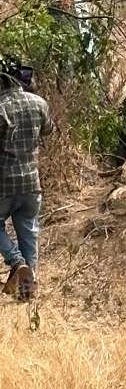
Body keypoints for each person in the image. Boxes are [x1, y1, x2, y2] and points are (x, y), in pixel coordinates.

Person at [0, 60, 52, 301]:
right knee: (29, 232)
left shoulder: (1, 107)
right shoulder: (39, 103)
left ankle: (16, 261)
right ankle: (27, 291)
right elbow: (48, 130)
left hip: (4, 183)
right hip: (32, 183)